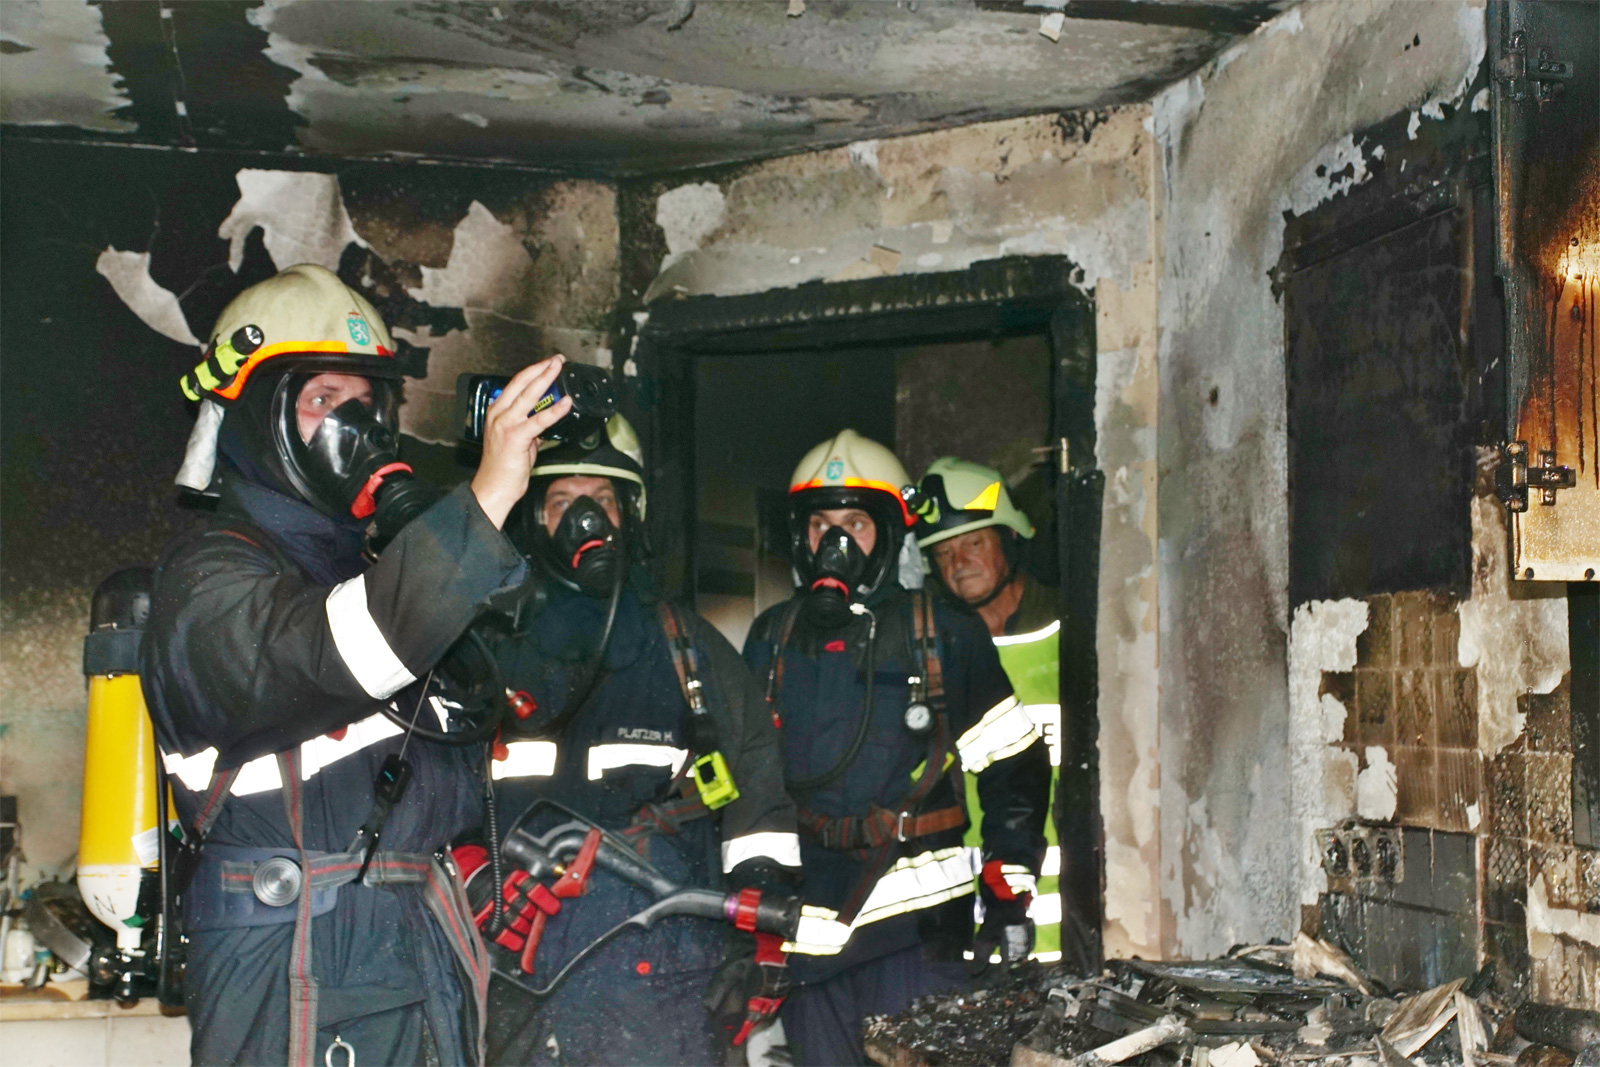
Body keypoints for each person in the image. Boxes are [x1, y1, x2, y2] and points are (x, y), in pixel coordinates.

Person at [141, 263, 571, 1066]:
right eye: (322, 399)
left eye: (367, 403)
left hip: (414, 936)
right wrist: (480, 505)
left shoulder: (374, 570)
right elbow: (329, 653)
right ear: (256, 417)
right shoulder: (208, 577)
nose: (356, 425)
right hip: (295, 952)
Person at [477, 416, 802, 1066]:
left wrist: (758, 928)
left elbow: (758, 796)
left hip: (663, 968)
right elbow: (437, 781)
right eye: (562, 502)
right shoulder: (487, 647)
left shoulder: (688, 650)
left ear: (630, 513)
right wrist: (471, 872)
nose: (585, 521)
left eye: (601, 499)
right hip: (518, 956)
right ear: (533, 518)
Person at [742, 430, 1051, 1067]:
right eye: (821, 525)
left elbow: (1013, 768)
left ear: (888, 532)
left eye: (855, 524)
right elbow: (746, 786)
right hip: (808, 946)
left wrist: (1008, 890)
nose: (835, 544)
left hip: (918, 940)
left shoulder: (943, 633)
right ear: (800, 536)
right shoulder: (773, 640)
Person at [911, 456, 1069, 966]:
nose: (958, 563)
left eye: (973, 543)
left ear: (1009, 537)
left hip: (1083, 913)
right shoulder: (929, 653)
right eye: (943, 553)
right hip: (974, 917)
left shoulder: (1076, 629)